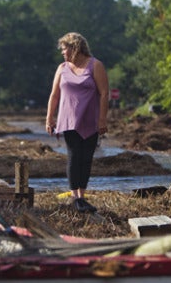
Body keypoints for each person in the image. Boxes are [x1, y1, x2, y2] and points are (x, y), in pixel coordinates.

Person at [46, 32, 109, 213]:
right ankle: (76, 198)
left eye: (64, 49)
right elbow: (54, 95)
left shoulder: (95, 65)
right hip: (68, 119)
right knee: (74, 156)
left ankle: (82, 195)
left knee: (86, 157)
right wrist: (49, 117)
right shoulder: (62, 68)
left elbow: (104, 93)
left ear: (75, 48)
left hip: (90, 119)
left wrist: (102, 119)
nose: (62, 53)